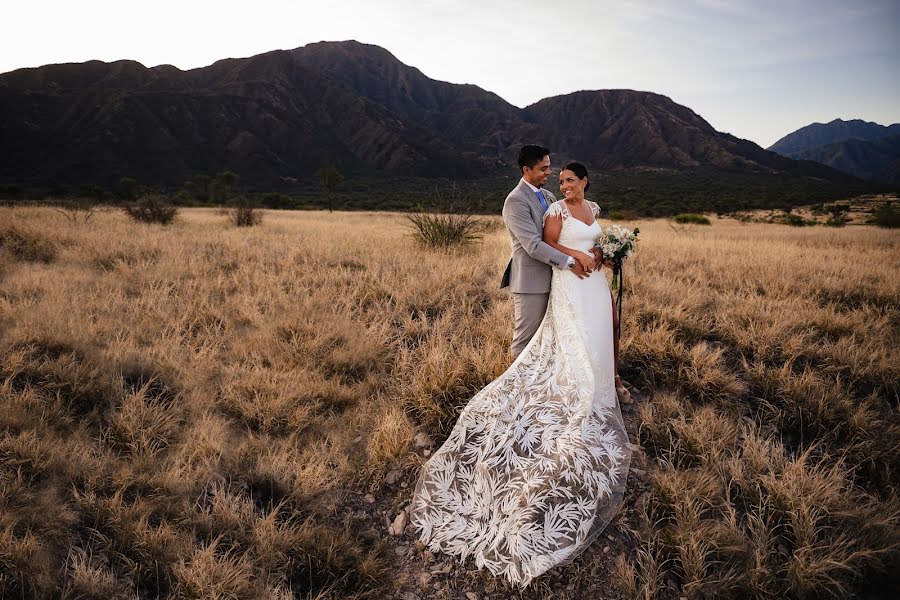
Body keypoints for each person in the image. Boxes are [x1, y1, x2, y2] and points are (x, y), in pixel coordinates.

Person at [409, 159, 632, 588]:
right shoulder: (541, 207)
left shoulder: (584, 207)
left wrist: (604, 255)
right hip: (564, 279)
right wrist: (576, 260)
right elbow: (540, 245)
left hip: (592, 282)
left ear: (584, 182)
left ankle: (607, 378)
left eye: (568, 177)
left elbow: (597, 244)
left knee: (600, 334)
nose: (560, 181)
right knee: (543, 341)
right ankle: (558, 387)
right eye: (554, 174)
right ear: (530, 169)